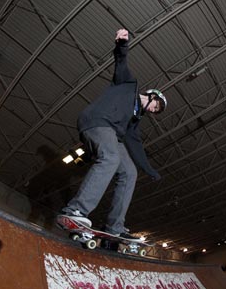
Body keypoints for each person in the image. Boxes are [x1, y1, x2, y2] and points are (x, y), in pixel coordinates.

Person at [60, 29, 167, 239]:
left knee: (129, 172)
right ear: (152, 95)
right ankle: (76, 210)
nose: (154, 111)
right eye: (157, 106)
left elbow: (136, 147)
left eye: (157, 111)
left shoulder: (134, 121)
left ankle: (115, 227)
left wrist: (150, 170)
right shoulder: (128, 85)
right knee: (110, 157)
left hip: (112, 133)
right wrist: (122, 45)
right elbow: (121, 63)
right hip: (96, 121)